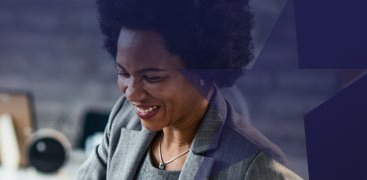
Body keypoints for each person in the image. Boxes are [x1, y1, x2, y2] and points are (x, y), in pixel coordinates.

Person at [76, 0, 303, 179]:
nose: (131, 93)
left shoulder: (255, 163)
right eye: (124, 73)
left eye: (152, 77)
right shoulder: (124, 118)